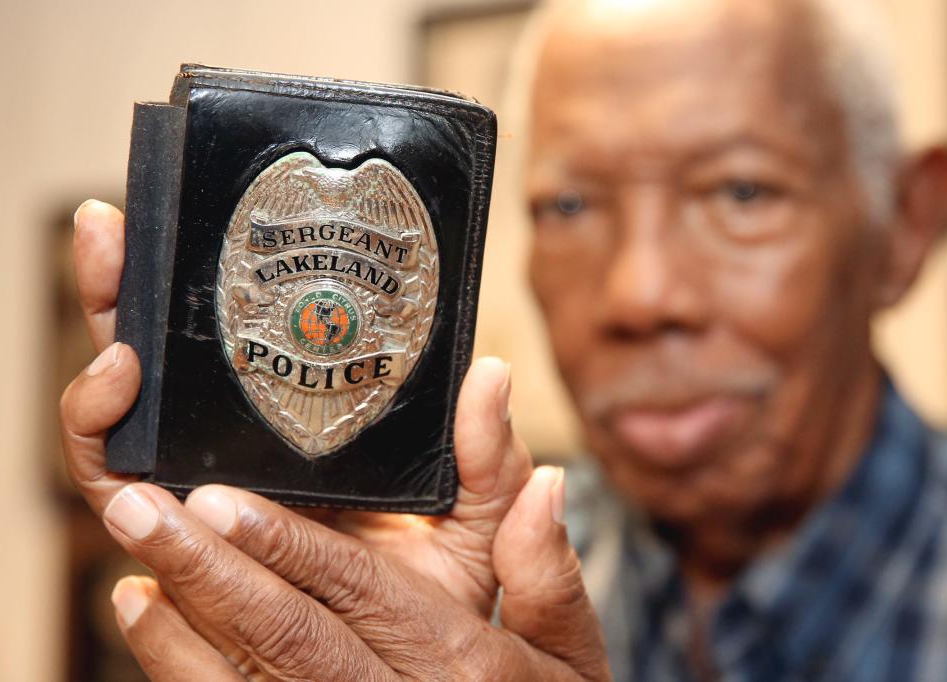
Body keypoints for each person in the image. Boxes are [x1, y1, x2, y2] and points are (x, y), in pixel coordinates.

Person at [60, 0, 947, 679]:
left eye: (741, 194)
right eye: (569, 205)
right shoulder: (469, 587)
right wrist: (305, 577)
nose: (637, 294)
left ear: (905, 228)